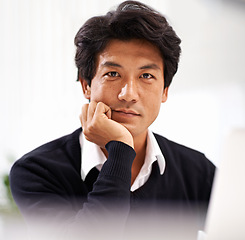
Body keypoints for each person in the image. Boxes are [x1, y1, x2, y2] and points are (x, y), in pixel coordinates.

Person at [10, 1, 215, 239]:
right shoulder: (37, 171)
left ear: (165, 91)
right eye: (112, 74)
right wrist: (120, 149)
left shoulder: (197, 171)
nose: (128, 93)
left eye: (146, 75)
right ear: (86, 85)